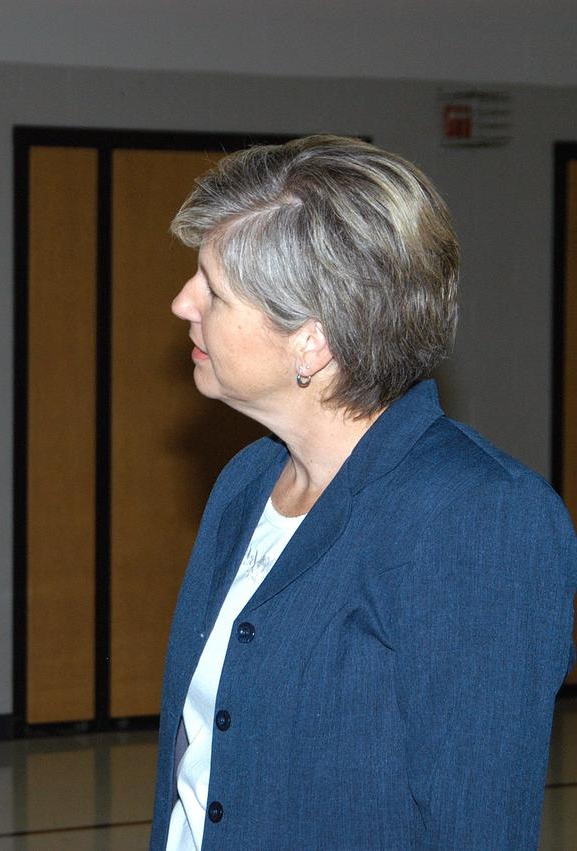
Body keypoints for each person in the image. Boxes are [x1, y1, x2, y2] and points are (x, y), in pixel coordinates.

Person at [150, 135, 576, 849]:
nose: (182, 302)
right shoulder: (246, 482)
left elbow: (478, 825)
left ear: (312, 342)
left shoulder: (480, 516)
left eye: (215, 290)